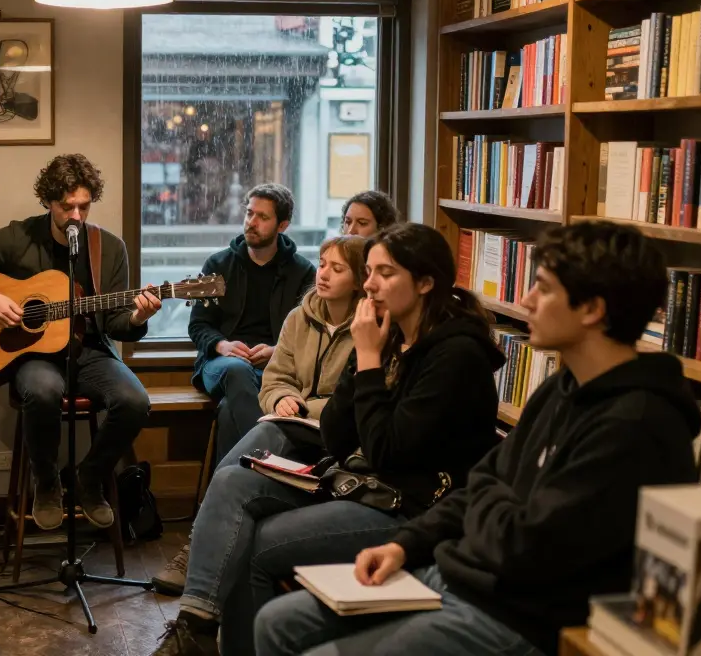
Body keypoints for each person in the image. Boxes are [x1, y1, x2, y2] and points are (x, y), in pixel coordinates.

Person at [254, 221, 701, 656]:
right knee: (278, 622)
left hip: (522, 614)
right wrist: (404, 545)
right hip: (462, 573)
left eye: (543, 288)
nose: (526, 300)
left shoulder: (636, 424)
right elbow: (485, 482)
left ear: (592, 310)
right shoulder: (562, 389)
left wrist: (491, 501)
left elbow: (527, 545)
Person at [154, 223, 505, 656]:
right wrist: (364, 360)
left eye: (385, 273)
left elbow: (388, 452)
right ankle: (196, 628)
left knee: (257, 541)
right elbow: (339, 437)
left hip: (411, 508)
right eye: (370, 271)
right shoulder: (391, 335)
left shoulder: (455, 355)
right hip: (363, 484)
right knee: (233, 483)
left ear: (426, 283)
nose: (371, 284)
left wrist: (369, 360)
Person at [0, 154, 161, 531]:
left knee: (135, 401)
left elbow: (118, 324)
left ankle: (89, 478)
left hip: (89, 351)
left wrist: (139, 316)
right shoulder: (19, 236)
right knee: (42, 390)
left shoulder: (109, 248)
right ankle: (46, 481)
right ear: (48, 201)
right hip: (35, 357)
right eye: (66, 205)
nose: (75, 215)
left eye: (83, 206)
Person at [153, 234, 367, 597]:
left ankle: (195, 549)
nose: (324, 274)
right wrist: (282, 396)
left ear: (360, 279)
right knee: (251, 440)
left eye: (338, 268)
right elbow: (275, 380)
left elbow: (359, 399)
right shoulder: (300, 317)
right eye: (324, 263)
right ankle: (201, 558)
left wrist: (300, 404)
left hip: (337, 434)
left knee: (241, 449)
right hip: (292, 423)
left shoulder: (370, 327)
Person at [188, 183, 316, 467]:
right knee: (237, 370)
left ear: (282, 225)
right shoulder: (218, 264)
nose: (251, 222)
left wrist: (276, 350)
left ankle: (226, 488)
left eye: (262, 217)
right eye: (249, 213)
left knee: (227, 410)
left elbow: (308, 333)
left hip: (275, 367)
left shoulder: (303, 271)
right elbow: (198, 325)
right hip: (221, 364)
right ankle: (267, 461)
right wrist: (222, 344)